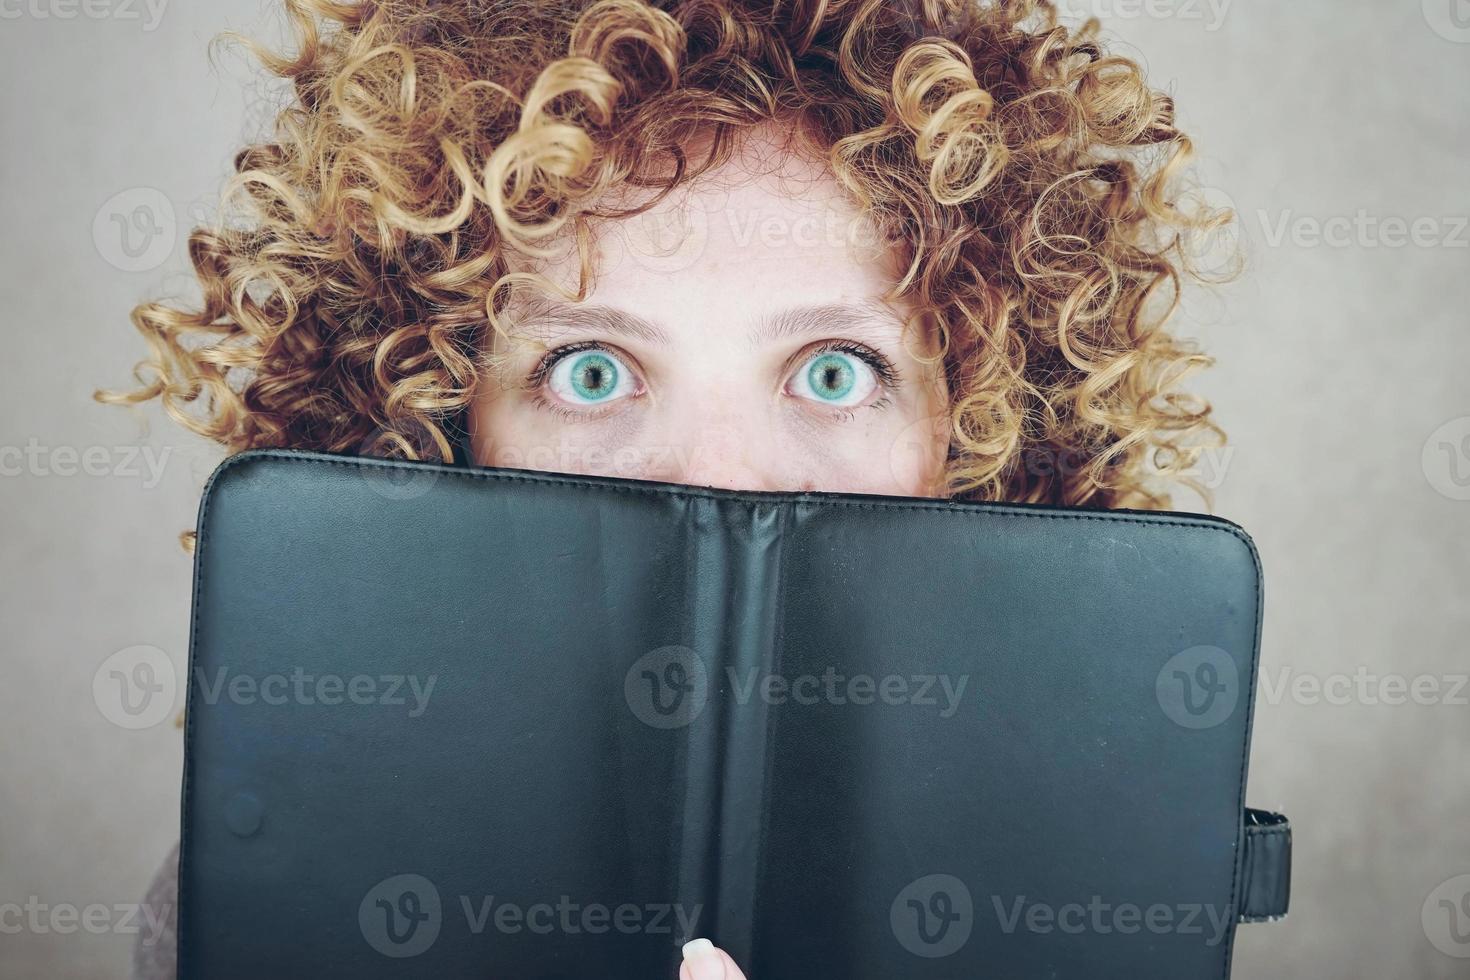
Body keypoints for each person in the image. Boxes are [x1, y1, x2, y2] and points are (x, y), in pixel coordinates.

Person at [106, 1, 1227, 976]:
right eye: (591, 371)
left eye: (836, 371)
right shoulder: (268, 908)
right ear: (443, 426)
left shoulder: (1089, 896)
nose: (720, 478)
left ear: (974, 430)